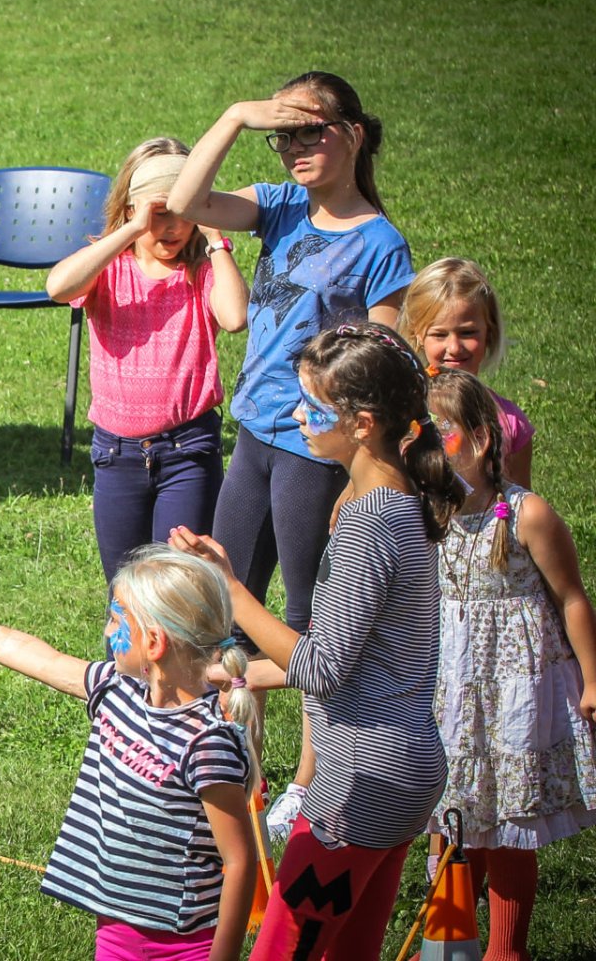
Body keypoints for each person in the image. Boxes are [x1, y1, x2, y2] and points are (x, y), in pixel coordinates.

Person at [165, 72, 416, 838]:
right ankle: (223, 758)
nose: (298, 149)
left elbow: (385, 358)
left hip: (314, 453)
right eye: (286, 135)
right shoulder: (275, 208)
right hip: (253, 439)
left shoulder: (381, 244)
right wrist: (237, 116)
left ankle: (306, 785)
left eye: (314, 131)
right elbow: (181, 204)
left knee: (305, 624)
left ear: (355, 135)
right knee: (217, 607)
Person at [171, 322, 463, 961]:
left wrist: (232, 590)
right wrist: (232, 674)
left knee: (283, 951)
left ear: (361, 424)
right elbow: (357, 658)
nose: (296, 413)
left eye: (311, 404)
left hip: (357, 787)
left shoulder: (367, 522)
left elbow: (323, 668)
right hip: (403, 774)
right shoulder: (398, 498)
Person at [0, 547, 261, 961]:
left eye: (116, 618)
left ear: (153, 642)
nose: (107, 628)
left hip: (185, 945)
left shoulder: (206, 743)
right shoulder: (115, 688)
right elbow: (34, 654)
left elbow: (240, 861)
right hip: (115, 929)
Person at [424, 368, 596, 961]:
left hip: (518, 686)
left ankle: (506, 951)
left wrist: (593, 679)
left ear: (479, 437)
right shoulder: (426, 514)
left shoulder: (527, 514)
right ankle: (450, 945)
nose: (428, 446)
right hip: (451, 687)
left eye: (439, 433)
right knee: (450, 821)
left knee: (511, 824)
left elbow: (571, 595)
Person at [46, 139, 248, 584]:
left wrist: (216, 236)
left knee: (177, 587)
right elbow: (58, 287)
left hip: (187, 451)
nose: (173, 228)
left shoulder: (201, 270)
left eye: (185, 212)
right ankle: (122, 657)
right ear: (134, 207)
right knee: (124, 588)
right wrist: (132, 229)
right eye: (161, 213)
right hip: (116, 454)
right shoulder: (109, 268)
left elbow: (234, 318)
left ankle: (179, 656)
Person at [401, 257, 534, 486]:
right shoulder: (398, 411)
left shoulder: (511, 422)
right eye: (439, 335)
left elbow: (522, 507)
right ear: (417, 335)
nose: (454, 348)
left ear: (489, 333)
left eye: (467, 333)